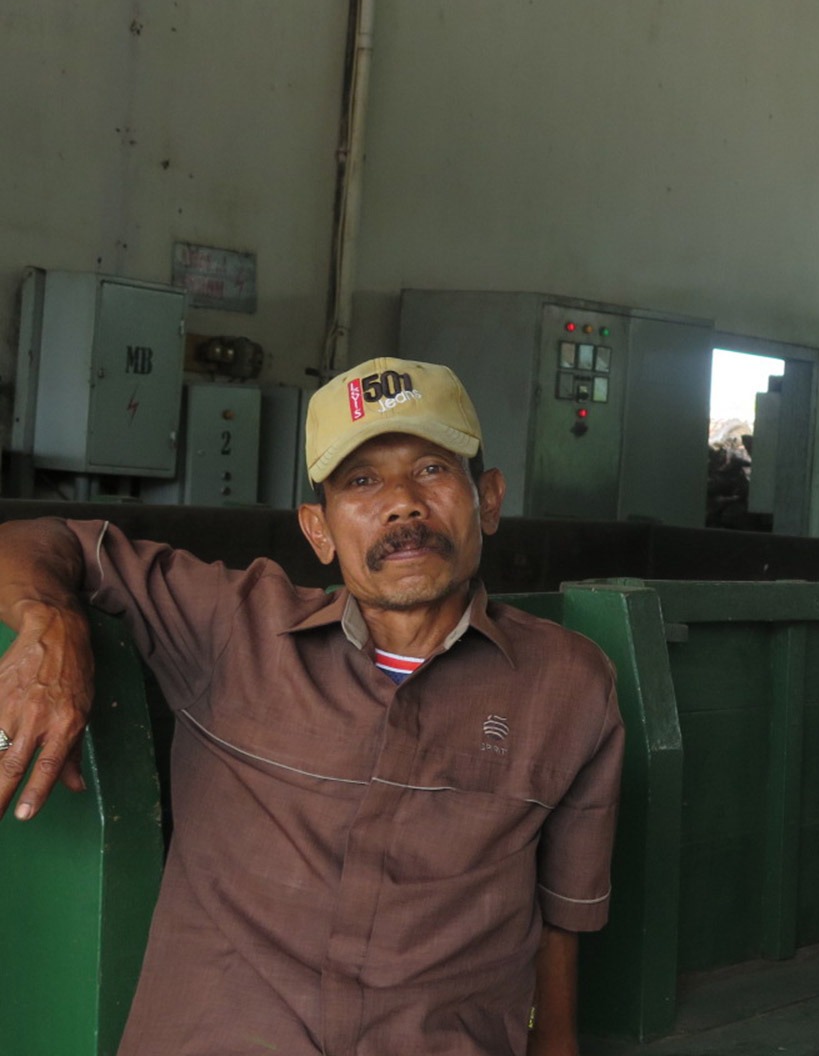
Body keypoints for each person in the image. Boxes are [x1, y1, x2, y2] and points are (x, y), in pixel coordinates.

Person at [0, 357, 623, 1056]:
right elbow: (33, 540)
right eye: (361, 481)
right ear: (318, 530)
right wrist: (49, 624)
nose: (403, 505)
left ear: (490, 500)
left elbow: (560, 921)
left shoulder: (567, 683)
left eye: (432, 469)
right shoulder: (231, 628)